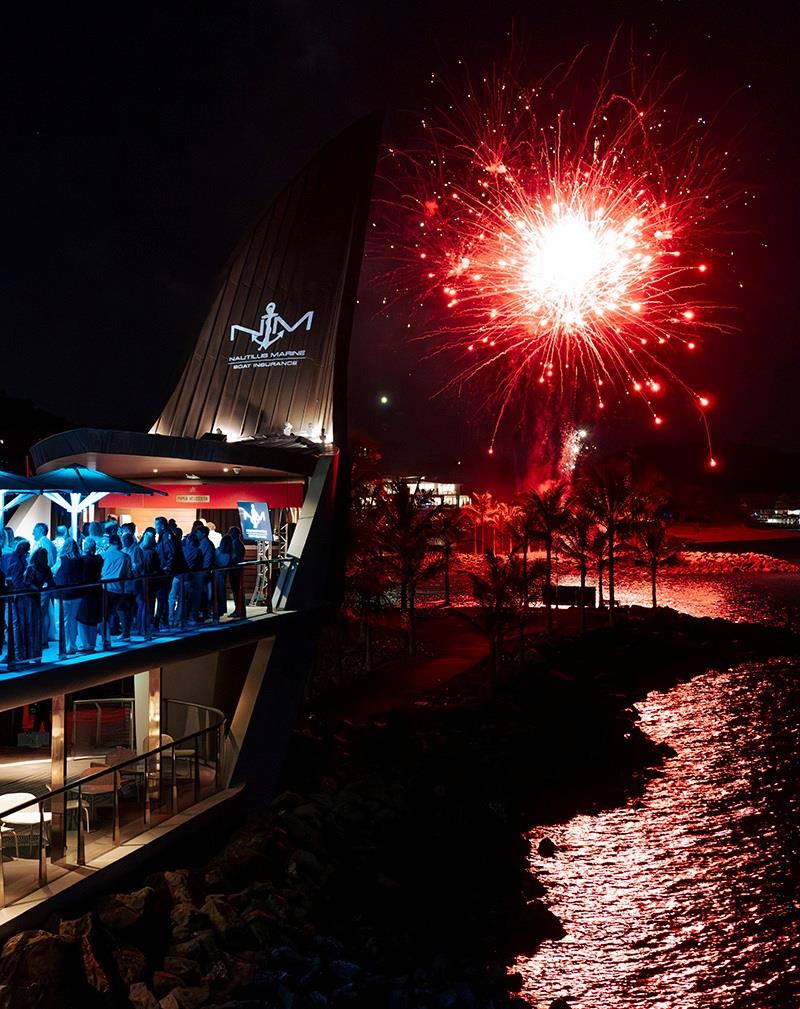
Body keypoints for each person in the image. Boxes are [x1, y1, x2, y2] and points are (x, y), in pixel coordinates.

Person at [24, 547, 54, 661]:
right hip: (37, 597)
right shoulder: (46, 569)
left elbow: (27, 583)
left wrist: (36, 588)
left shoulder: (32, 568)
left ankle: (30, 653)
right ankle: (37, 653)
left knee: (29, 624)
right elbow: (52, 583)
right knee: (38, 623)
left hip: (29, 598)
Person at [102, 534, 133, 640]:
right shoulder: (125, 556)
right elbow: (129, 574)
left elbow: (100, 572)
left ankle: (105, 637)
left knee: (105, 613)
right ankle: (126, 633)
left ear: (110, 543)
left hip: (105, 587)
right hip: (120, 587)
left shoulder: (104, 555)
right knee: (122, 611)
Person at [54, 538, 83, 653]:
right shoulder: (80, 560)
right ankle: (72, 645)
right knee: (72, 620)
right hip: (77, 593)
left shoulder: (61, 559)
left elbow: (54, 570)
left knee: (61, 621)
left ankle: (65, 646)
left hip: (63, 594)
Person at [77, 538, 103, 651]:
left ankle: (86, 644)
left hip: (86, 591)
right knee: (93, 618)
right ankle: (91, 643)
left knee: (82, 618)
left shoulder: (85, 560)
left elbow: (83, 576)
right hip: (97, 590)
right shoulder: (99, 559)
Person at [213, 533, 233, 617]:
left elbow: (216, 561)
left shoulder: (219, 551)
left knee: (218, 593)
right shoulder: (228, 554)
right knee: (220, 592)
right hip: (220, 573)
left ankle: (218, 609)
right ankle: (220, 609)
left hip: (218, 573)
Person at [228, 526, 246, 618]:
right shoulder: (239, 543)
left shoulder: (235, 544)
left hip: (235, 571)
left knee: (237, 591)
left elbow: (235, 557)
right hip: (237, 570)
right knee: (237, 591)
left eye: (230, 532)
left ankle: (239, 611)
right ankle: (239, 610)